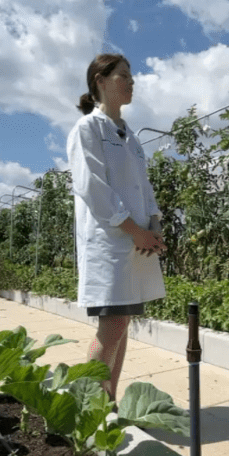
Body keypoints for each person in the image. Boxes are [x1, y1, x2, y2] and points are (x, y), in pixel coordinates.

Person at [66, 54, 167, 403]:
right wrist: (134, 230)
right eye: (123, 75)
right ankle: (85, 408)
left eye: (131, 76)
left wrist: (153, 226)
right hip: (111, 243)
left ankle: (107, 403)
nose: (131, 82)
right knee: (113, 325)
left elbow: (144, 188)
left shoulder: (131, 138)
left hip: (136, 243)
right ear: (100, 80)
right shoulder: (87, 130)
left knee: (121, 327)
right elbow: (92, 187)